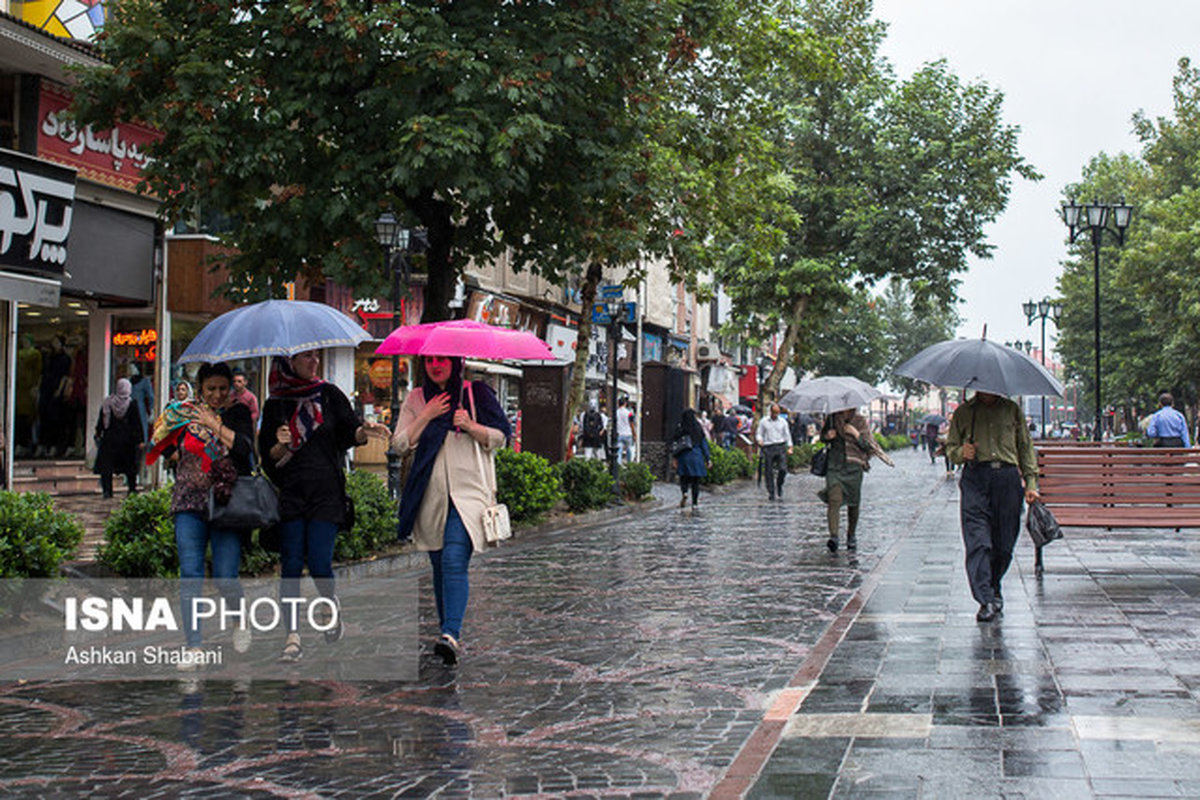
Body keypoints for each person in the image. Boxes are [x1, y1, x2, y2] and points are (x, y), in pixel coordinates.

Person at [260, 351, 390, 662]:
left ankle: (330, 606)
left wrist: (366, 432)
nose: (314, 361)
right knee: (291, 566)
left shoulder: (329, 394)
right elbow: (268, 458)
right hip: (291, 494)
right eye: (306, 356)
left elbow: (349, 432)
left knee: (320, 563)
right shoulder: (276, 403)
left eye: (316, 356)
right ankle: (292, 636)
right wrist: (280, 444)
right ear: (289, 362)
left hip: (326, 494)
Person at [391, 355, 511, 666]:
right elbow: (400, 445)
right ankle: (448, 636)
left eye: (442, 359)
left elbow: (501, 437)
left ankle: (450, 634)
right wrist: (426, 415)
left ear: (455, 362)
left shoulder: (475, 393)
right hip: (429, 497)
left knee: (454, 559)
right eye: (430, 360)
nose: (436, 365)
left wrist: (470, 425)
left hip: (469, 495)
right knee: (439, 565)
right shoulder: (417, 399)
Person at [145, 362, 255, 666]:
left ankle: (239, 618)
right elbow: (158, 437)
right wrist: (172, 453)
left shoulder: (238, 413)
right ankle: (194, 646)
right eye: (211, 389)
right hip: (188, 502)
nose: (217, 394)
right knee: (190, 575)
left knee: (225, 576)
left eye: (223, 389)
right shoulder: (183, 412)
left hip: (226, 503)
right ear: (200, 389)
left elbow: (245, 449)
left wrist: (213, 424)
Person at [945, 390, 1040, 623]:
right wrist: (961, 452)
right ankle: (985, 598)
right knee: (978, 541)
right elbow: (950, 448)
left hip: (1006, 479)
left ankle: (994, 585)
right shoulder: (964, 412)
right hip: (975, 479)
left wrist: (1031, 482)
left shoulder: (1012, 410)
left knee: (1004, 543)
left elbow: (1025, 446)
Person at [818, 408, 874, 552]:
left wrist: (855, 433)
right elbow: (822, 437)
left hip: (854, 467)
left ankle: (851, 535)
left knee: (853, 503)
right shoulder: (832, 419)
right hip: (834, 466)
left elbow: (869, 446)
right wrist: (827, 436)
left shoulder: (860, 421)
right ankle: (834, 536)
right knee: (834, 499)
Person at [92, 378, 145, 498]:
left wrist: (98, 432)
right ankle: (132, 489)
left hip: (110, 440)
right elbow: (136, 423)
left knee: (107, 467)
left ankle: (107, 491)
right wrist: (140, 439)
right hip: (127, 441)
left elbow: (102, 420)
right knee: (129, 466)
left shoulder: (108, 402)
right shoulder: (131, 404)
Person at [672, 408, 711, 509]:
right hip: (696, 455)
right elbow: (704, 444)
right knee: (695, 481)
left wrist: (674, 458)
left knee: (683, 478)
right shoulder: (698, 428)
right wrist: (708, 459)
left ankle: (685, 492)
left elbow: (675, 444)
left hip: (684, 456)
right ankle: (694, 503)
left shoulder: (681, 428)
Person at [755, 403, 793, 501]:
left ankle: (779, 485)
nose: (775, 415)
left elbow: (787, 434)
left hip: (780, 446)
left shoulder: (783, 422)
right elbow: (759, 433)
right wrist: (760, 440)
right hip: (768, 447)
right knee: (768, 471)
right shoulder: (764, 421)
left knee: (783, 469)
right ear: (770, 412)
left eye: (777, 413)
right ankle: (771, 491)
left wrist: (790, 447)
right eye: (774, 412)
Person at [615, 396, 636, 464]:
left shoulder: (616, 413)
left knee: (619, 451)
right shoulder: (629, 413)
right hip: (628, 433)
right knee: (629, 450)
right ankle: (629, 463)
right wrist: (634, 434)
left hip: (619, 433)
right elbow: (631, 424)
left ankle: (618, 464)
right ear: (625, 404)